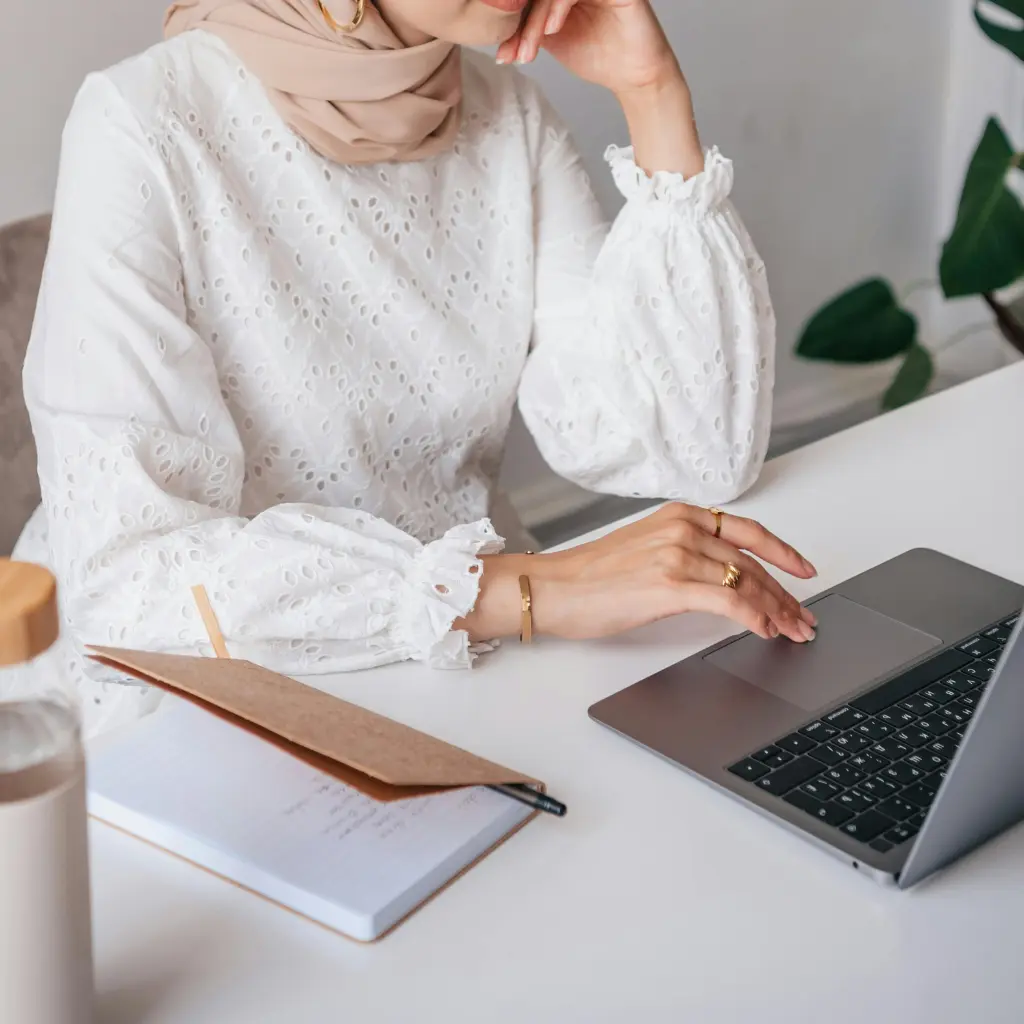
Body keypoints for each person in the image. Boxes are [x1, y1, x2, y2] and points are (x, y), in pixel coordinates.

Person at [13, 0, 817, 738]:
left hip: (468, 670)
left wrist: (651, 93)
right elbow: (131, 585)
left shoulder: (510, 116)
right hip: (201, 698)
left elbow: (697, 454)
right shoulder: (145, 121)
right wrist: (530, 591)